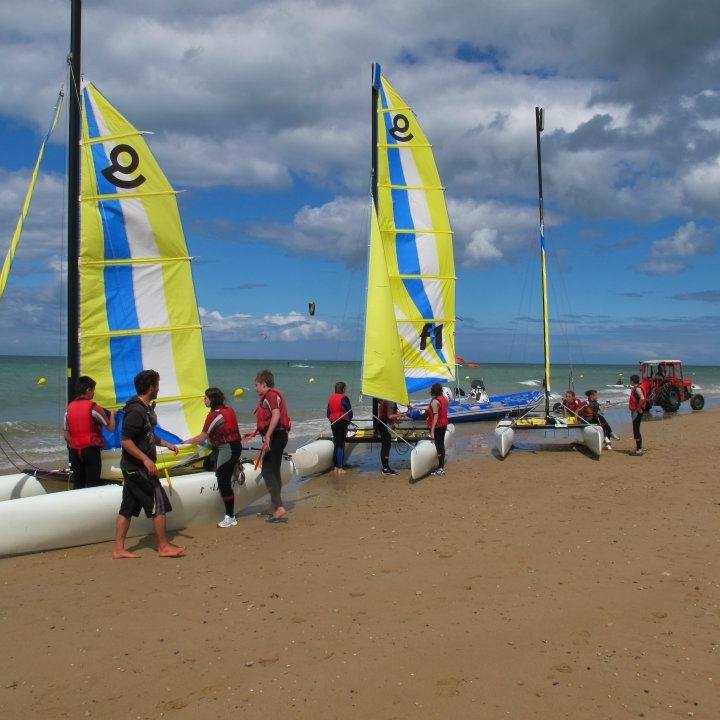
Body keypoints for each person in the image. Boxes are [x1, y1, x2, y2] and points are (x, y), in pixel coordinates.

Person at [111, 369, 185, 559]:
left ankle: (119, 549)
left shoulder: (144, 408)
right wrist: (145, 459)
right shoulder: (135, 411)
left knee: (127, 508)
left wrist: (167, 444)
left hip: (132, 468)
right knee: (158, 503)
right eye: (157, 385)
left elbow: (147, 435)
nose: (159, 388)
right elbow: (125, 440)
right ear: (151, 387)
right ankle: (163, 547)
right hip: (137, 469)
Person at [183, 387, 242, 528]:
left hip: (227, 449)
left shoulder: (214, 415)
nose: (204, 400)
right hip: (233, 447)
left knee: (222, 480)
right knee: (207, 457)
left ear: (212, 400)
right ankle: (232, 465)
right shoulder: (229, 410)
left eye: (206, 398)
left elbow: (203, 436)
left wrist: (184, 443)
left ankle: (230, 517)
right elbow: (211, 436)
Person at [244, 370, 291, 523]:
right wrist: (255, 432)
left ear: (264, 384)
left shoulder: (270, 395)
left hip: (277, 437)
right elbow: (269, 419)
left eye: (256, 385)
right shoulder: (272, 395)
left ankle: (279, 507)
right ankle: (274, 505)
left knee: (266, 471)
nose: (255, 388)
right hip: (279, 435)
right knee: (274, 470)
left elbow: (276, 415)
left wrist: (268, 436)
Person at [63, 375, 116, 489]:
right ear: (88, 390)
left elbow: (66, 435)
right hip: (90, 450)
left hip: (74, 451)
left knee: (78, 482)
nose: (94, 393)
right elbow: (111, 428)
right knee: (92, 483)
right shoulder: (93, 407)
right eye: (93, 390)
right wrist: (112, 414)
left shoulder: (69, 408)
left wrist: (75, 444)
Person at [326, 381, 353, 475]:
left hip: (333, 422)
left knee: (337, 443)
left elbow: (328, 413)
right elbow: (350, 412)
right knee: (341, 444)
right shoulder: (344, 398)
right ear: (343, 389)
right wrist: (348, 422)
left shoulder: (331, 398)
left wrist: (332, 421)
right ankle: (340, 468)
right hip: (342, 422)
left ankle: (335, 467)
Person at [376, 398, 404, 475]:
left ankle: (386, 467)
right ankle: (385, 469)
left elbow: (389, 417)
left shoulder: (388, 400)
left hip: (383, 424)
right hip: (383, 425)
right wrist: (400, 415)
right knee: (386, 446)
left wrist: (397, 420)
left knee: (386, 446)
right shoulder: (390, 401)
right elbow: (390, 416)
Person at [427, 383, 449, 476]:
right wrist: (414, 407)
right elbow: (430, 408)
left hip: (438, 426)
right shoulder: (443, 399)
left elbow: (436, 416)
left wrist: (432, 431)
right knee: (441, 445)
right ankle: (441, 466)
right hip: (444, 425)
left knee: (439, 446)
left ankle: (440, 468)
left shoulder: (435, 401)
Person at [628, 374, 646, 456]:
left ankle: (639, 450)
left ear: (632, 381)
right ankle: (639, 448)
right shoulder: (637, 388)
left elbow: (642, 398)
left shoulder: (637, 388)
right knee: (636, 429)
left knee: (636, 430)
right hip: (636, 411)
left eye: (630, 380)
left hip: (637, 412)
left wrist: (638, 408)